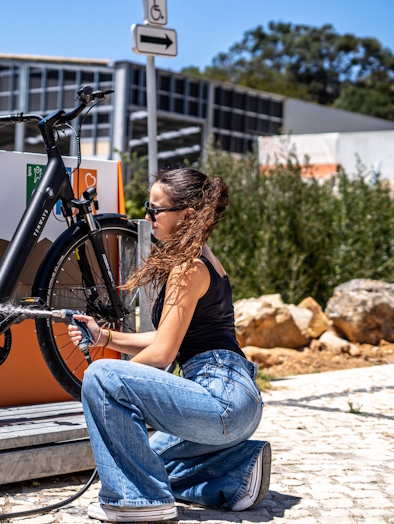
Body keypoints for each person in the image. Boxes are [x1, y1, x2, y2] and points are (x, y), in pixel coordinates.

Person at [69, 168, 270, 522]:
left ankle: (140, 503)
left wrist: (105, 385)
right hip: (235, 400)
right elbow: (168, 338)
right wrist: (104, 337)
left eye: (154, 210)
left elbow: (162, 355)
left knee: (100, 377)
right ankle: (239, 470)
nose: (147, 217)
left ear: (187, 215)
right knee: (144, 462)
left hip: (221, 397)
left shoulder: (188, 268)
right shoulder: (203, 260)